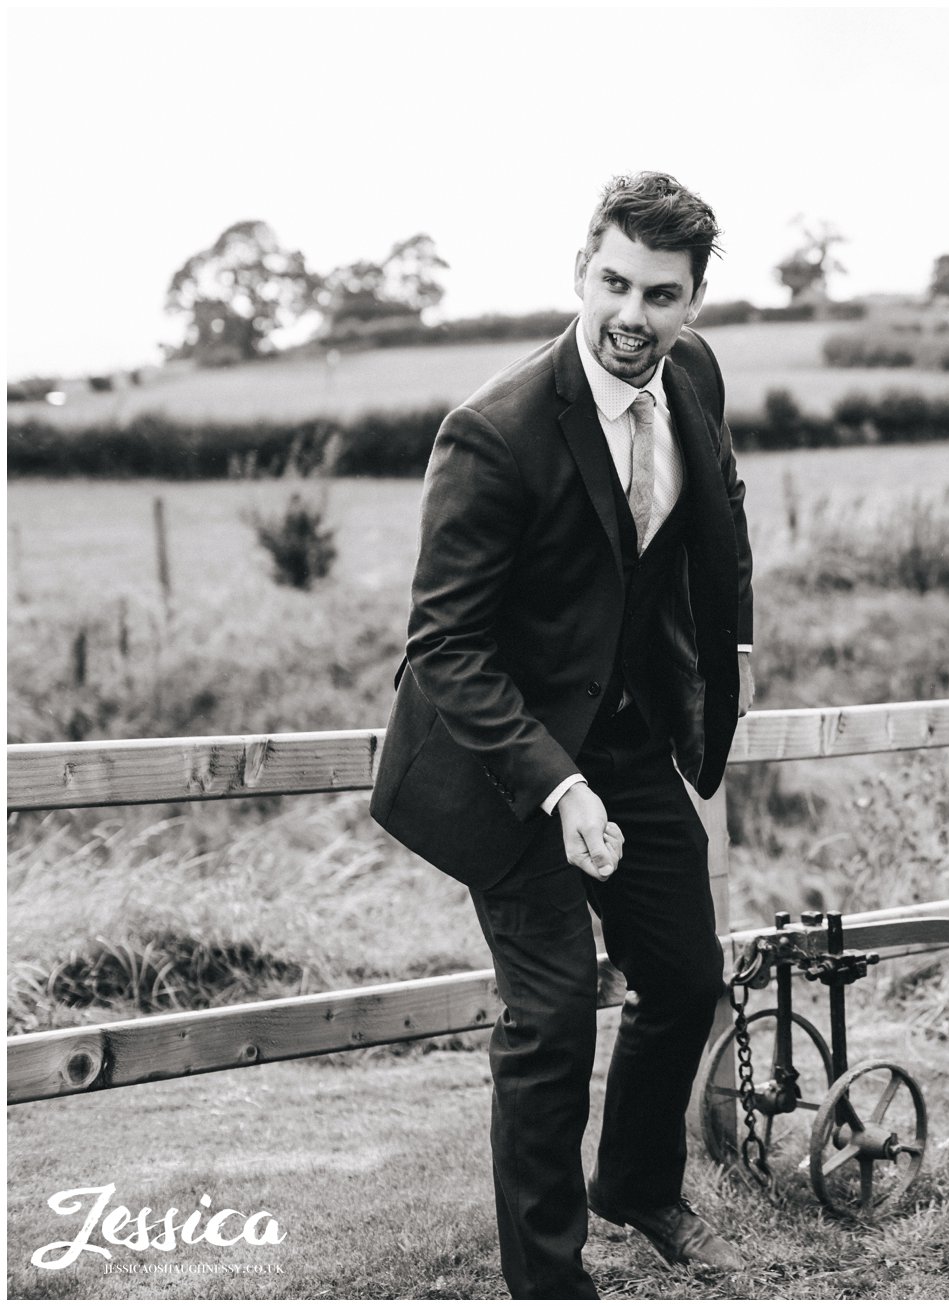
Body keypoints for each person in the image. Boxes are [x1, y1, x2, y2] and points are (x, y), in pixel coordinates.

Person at [369, 172, 754, 1296]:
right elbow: (443, 651)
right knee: (551, 1019)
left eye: (663, 294)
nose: (634, 315)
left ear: (694, 302)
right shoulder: (494, 433)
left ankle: (635, 1183)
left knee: (685, 975)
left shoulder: (694, 375)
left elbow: (711, 519)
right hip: (507, 761)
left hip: (625, 737)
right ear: (581, 271)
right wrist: (557, 783)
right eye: (615, 284)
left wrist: (726, 656)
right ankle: (548, 1278)